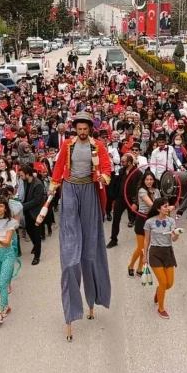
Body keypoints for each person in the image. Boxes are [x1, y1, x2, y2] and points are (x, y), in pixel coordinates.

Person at [48, 110, 112, 341]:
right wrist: (54, 185)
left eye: (86, 129)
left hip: (88, 190)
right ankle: (71, 308)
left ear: (90, 129)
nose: (82, 132)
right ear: (75, 129)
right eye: (79, 129)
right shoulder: (68, 145)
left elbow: (106, 167)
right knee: (71, 248)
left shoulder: (98, 146)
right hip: (70, 189)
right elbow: (58, 169)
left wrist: (104, 177)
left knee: (91, 248)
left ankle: (94, 300)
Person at [143, 197, 180, 319]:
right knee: (163, 282)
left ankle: (159, 291)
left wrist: (176, 235)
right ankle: (161, 308)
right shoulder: (149, 222)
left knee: (169, 284)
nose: (167, 208)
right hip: (155, 253)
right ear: (158, 208)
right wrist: (144, 256)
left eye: (168, 205)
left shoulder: (171, 221)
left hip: (168, 252)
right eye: (164, 206)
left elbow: (173, 239)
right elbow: (146, 239)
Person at [107, 154, 141, 248]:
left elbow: (140, 189)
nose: (121, 163)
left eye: (123, 162)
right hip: (121, 199)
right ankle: (114, 239)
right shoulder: (121, 171)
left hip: (132, 200)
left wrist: (136, 203)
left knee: (140, 220)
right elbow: (117, 184)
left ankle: (143, 239)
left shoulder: (138, 173)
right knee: (116, 219)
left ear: (129, 162)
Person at [19, 165, 45, 265]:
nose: (21, 177)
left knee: (37, 234)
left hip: (36, 213)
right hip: (27, 212)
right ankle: (35, 245)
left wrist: (22, 206)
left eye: (22, 175)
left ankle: (37, 256)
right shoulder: (25, 182)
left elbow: (36, 201)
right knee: (29, 231)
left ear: (27, 174)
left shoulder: (38, 184)